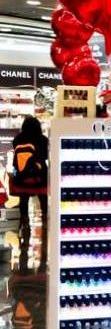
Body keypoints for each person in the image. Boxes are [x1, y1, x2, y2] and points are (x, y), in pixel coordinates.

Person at [10, 116, 49, 272]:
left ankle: (25, 221)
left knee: (24, 199)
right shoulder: (43, 139)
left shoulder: (18, 139)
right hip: (39, 178)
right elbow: (45, 157)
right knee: (43, 198)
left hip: (22, 178)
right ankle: (45, 219)